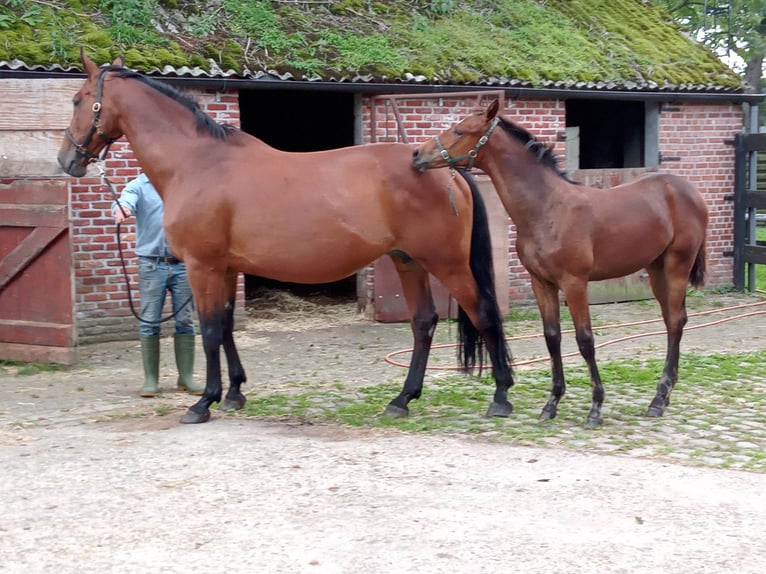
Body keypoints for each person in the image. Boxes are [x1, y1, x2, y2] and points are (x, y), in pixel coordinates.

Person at [112, 172, 204, 397]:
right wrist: (122, 209)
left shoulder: (183, 184)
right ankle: (151, 381)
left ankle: (186, 378)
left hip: (183, 264)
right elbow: (126, 201)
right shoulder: (138, 186)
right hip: (152, 264)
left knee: (185, 321)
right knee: (150, 321)